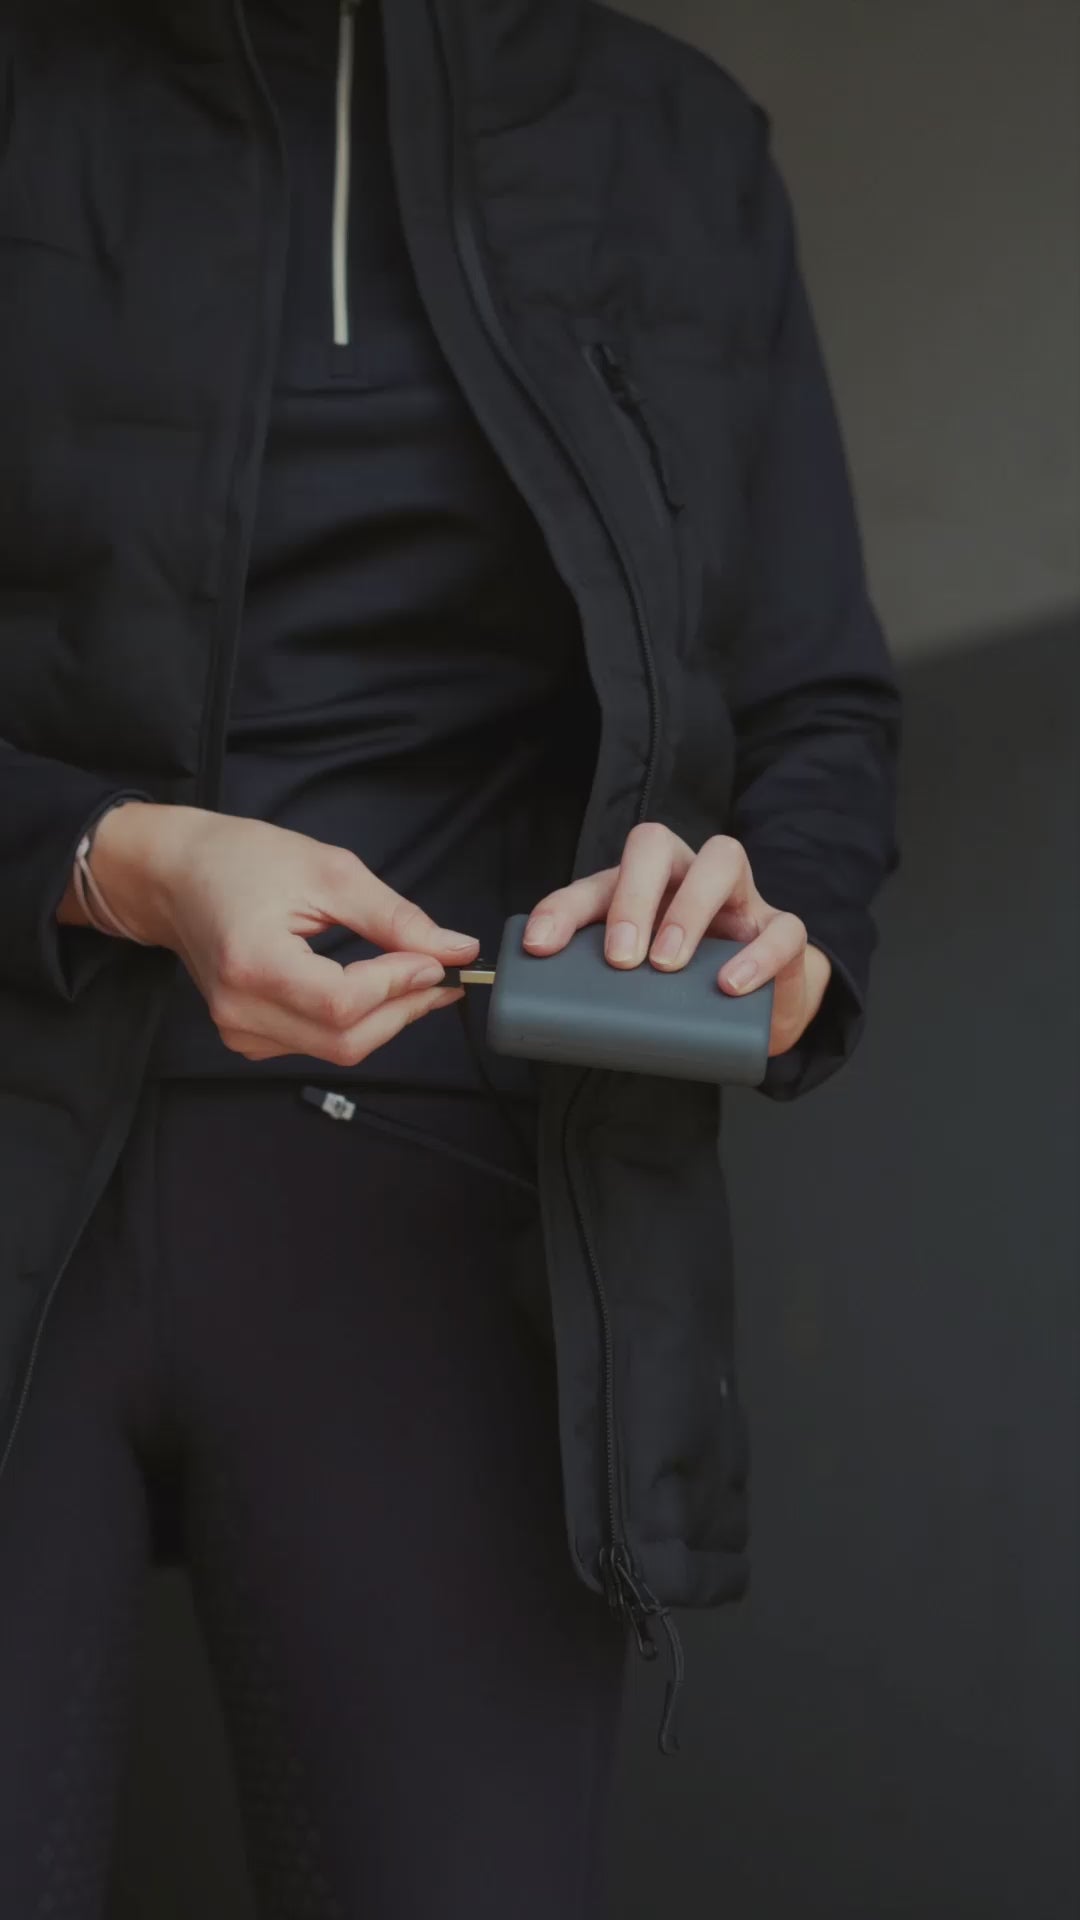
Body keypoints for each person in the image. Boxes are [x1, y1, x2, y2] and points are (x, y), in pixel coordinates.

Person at [0, 0, 900, 1913]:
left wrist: (775, 926)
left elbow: (813, 709)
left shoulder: (669, 139)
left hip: (457, 1203)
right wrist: (121, 860)